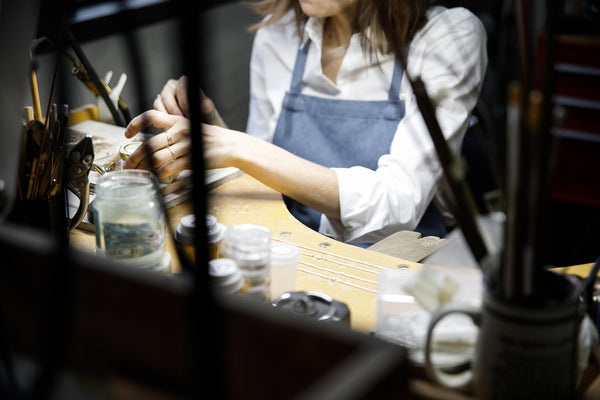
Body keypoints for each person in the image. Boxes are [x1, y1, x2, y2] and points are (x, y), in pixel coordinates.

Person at [122, 0, 488, 245]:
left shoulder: (448, 37)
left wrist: (238, 147)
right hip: (292, 248)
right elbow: (266, 181)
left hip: (389, 265)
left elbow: (399, 204)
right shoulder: (278, 34)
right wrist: (213, 128)